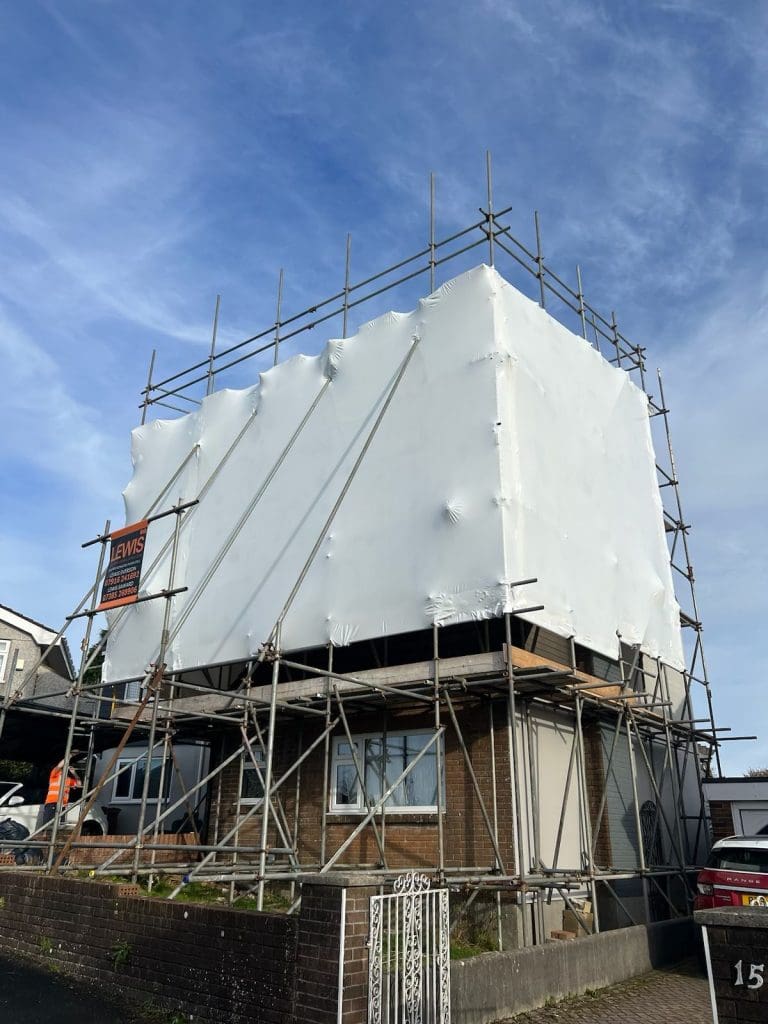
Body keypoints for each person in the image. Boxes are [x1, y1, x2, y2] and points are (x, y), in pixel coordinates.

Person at [41, 759, 80, 829]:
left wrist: (74, 773)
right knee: (47, 826)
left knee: (60, 827)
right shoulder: (54, 776)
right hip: (52, 803)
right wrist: (70, 756)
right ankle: (45, 837)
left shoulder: (68, 780)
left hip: (63, 806)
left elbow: (79, 784)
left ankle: (56, 838)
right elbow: (59, 766)